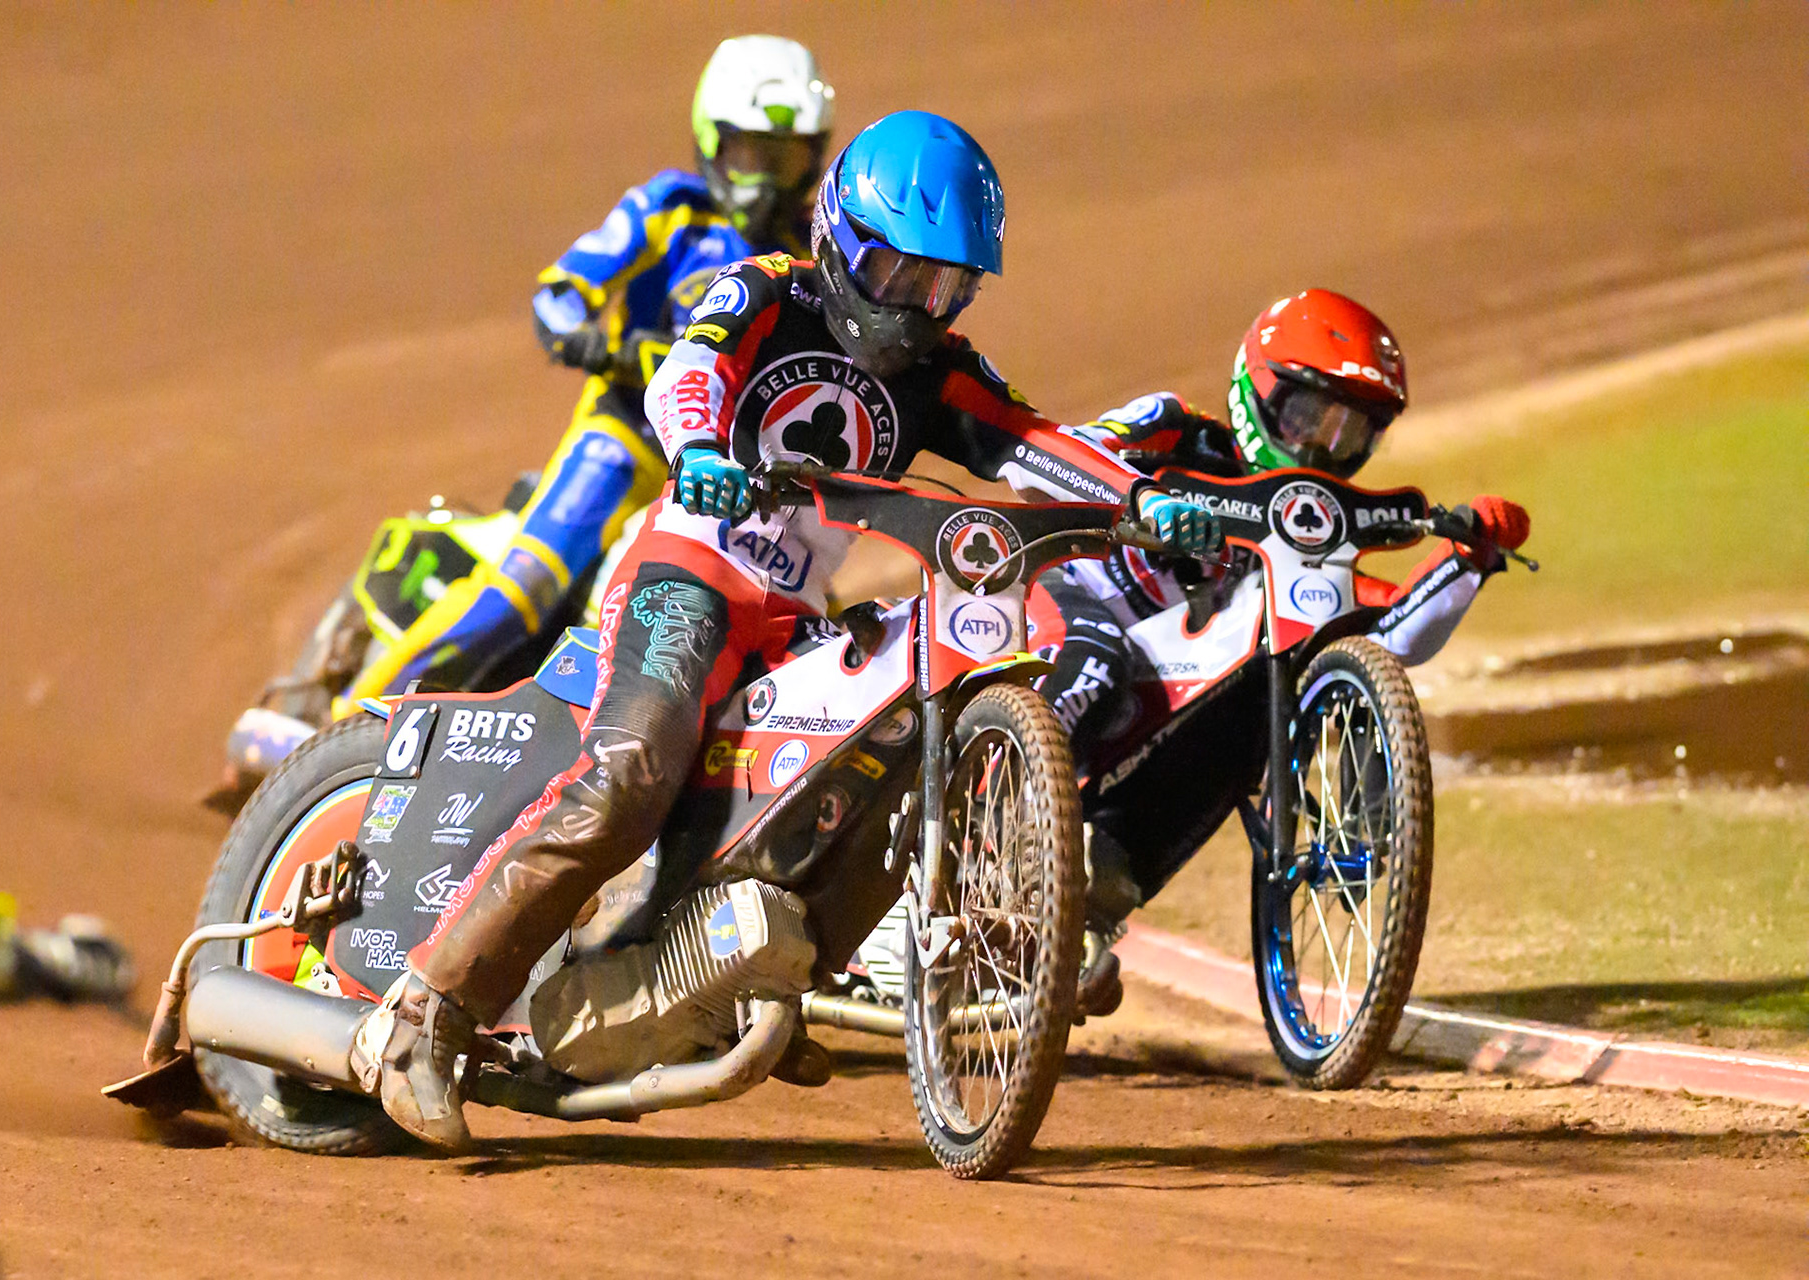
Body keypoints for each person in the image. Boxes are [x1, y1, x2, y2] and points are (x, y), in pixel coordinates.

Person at [350, 110, 1225, 1149]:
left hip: (804, 611)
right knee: (632, 771)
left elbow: (1035, 443)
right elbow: (691, 368)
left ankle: (731, 977)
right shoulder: (768, 290)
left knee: (886, 757)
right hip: (693, 571)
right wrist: (699, 446)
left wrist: (1144, 498)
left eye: (946, 287)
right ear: (842, 239)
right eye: (902, 274)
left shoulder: (944, 369)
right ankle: (420, 1016)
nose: (917, 308)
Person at [225, 37, 837, 774]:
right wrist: (581, 332)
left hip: (725, 474)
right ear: (713, 141)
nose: (767, 183)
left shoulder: (815, 256)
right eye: (752, 156)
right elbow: (565, 286)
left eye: (787, 160)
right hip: (629, 436)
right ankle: (337, 733)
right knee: (524, 587)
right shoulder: (671, 211)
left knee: (770, 614)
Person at [1027, 289, 1530, 976]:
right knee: (1094, 666)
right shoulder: (1176, 427)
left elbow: (1387, 640)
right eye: (1305, 418)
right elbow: (1067, 458)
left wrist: (1467, 561)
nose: (1321, 448)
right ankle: (959, 838)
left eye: (1348, 434)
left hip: (1184, 669)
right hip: (1077, 597)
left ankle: (1095, 890)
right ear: (1255, 391)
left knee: (1259, 721)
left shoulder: (1317, 536)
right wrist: (1147, 500)